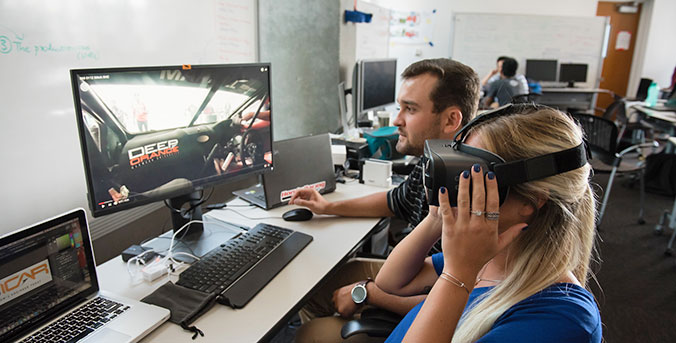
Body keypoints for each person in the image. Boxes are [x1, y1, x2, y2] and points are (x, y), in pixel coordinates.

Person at [377, 104, 601, 342]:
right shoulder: (489, 257)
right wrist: (437, 217)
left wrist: (458, 275)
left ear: (531, 201)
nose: (460, 185)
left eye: (474, 175)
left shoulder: (563, 319)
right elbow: (391, 283)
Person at [292, 58, 480, 342]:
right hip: (416, 275)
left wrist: (368, 294)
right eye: (399, 107)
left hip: (435, 309)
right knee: (312, 283)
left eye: (410, 109)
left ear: (451, 119)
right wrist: (328, 206)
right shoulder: (435, 158)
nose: (396, 120)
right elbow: (395, 201)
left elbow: (461, 303)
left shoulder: (471, 187)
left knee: (310, 334)